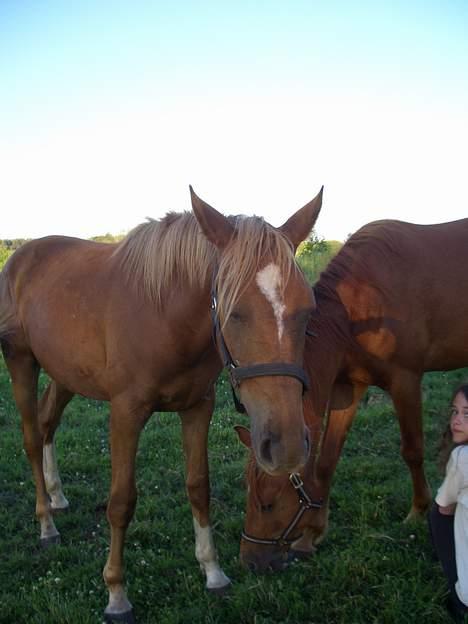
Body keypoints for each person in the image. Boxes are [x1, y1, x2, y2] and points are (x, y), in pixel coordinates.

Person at [429, 384, 468, 622]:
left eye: (467, 414)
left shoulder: (462, 457)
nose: (456, 420)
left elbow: (445, 506)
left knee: (438, 513)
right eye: (455, 411)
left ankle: (457, 592)